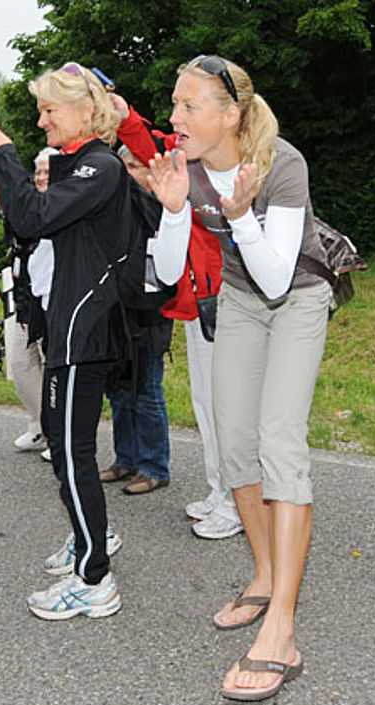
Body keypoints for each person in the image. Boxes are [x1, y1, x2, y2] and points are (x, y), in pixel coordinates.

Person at [146, 55, 331, 700]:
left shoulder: (282, 163)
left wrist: (242, 211)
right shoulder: (187, 169)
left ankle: (281, 626)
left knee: (280, 441)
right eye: (176, 104)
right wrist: (174, 210)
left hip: (298, 295)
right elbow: (169, 274)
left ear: (231, 115)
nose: (174, 117)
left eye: (188, 106)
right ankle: (262, 574)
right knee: (233, 446)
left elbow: (280, 276)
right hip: (241, 297)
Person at [0, 62, 134, 620]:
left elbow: (37, 216)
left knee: (74, 453)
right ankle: (90, 537)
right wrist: (6, 190)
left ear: (85, 110)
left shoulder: (101, 166)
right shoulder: (75, 165)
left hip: (86, 331)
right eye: (39, 111)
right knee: (63, 451)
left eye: (49, 110)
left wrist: (4, 154)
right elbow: (28, 227)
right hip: (65, 327)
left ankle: (94, 577)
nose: (41, 121)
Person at [114, 93, 242, 538]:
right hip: (198, 303)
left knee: (229, 409)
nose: (176, 118)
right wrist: (124, 115)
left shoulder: (229, 162)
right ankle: (220, 491)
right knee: (207, 404)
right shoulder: (188, 157)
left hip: (230, 303)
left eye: (188, 107)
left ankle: (240, 502)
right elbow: (151, 146)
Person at [98, 145, 173, 496]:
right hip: (117, 308)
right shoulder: (115, 208)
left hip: (150, 311)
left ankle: (154, 466)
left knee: (147, 390)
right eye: (122, 165)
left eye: (133, 165)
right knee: (118, 389)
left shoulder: (161, 205)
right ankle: (125, 457)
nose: (126, 172)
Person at [0, 149, 48, 456]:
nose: (42, 177)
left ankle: (57, 433)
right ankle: (38, 426)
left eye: (48, 171)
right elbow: (12, 213)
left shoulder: (60, 206)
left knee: (50, 364)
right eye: (39, 172)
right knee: (20, 364)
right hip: (23, 295)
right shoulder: (29, 204)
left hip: (50, 298)